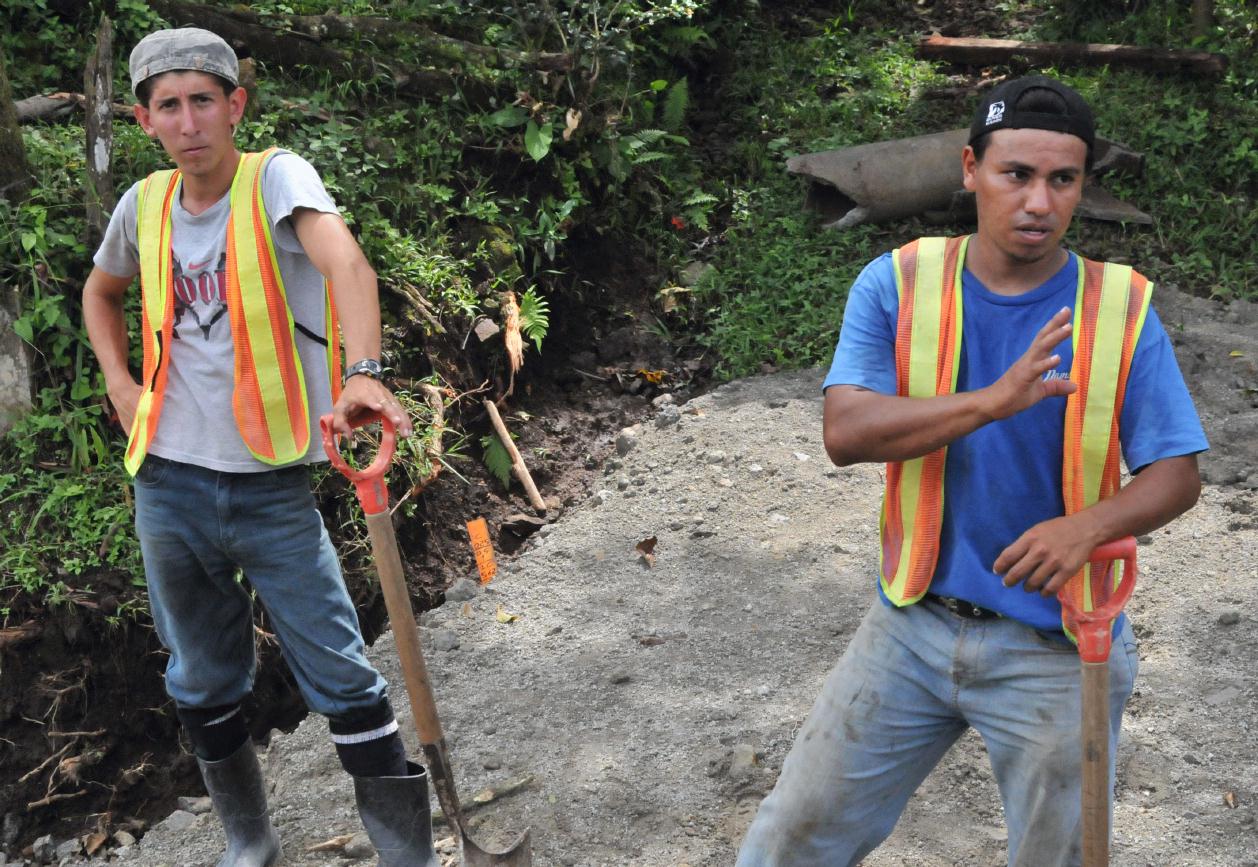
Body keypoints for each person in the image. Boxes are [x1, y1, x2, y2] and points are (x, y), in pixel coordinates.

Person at [736, 75, 1207, 867]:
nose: (1038, 201)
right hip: (910, 625)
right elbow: (845, 431)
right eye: (1015, 173)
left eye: (1063, 179)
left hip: (1058, 648)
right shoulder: (899, 281)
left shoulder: (1120, 308)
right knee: (792, 835)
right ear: (969, 168)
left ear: (1081, 186)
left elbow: (1179, 472)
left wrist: (1086, 527)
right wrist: (992, 399)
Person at [82, 27, 437, 867]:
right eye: (168, 105)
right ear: (144, 120)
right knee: (200, 680)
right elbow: (100, 293)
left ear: (235, 105)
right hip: (167, 483)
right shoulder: (146, 205)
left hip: (269, 484)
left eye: (203, 99)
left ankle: (406, 854)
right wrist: (119, 382)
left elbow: (346, 263)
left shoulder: (274, 178)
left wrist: (364, 372)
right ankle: (251, 842)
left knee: (343, 677)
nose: (189, 119)